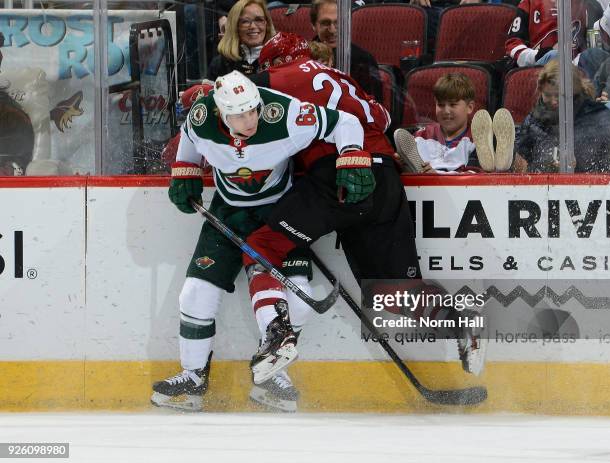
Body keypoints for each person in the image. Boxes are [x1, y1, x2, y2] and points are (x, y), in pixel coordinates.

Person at [248, 32, 487, 404]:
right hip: (386, 180)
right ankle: (462, 324)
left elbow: (233, 97)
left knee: (261, 246)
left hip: (340, 177)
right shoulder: (342, 79)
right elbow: (384, 118)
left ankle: (277, 338)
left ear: (277, 61)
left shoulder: (284, 75)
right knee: (388, 294)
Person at [150, 70, 368, 412]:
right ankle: (192, 378)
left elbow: (346, 123)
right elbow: (190, 140)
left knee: (300, 301)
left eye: (253, 109)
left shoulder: (285, 115)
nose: (250, 119)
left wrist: (352, 157)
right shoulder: (202, 117)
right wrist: (185, 171)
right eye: (239, 114)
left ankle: (270, 373)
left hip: (280, 214)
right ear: (222, 113)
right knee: (195, 295)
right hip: (227, 212)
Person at [393, 73, 515, 174]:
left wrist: (437, 176)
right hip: (425, 192)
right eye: (440, 105)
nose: (446, 111)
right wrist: (401, 163)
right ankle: (501, 167)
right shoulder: (421, 136)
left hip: (463, 191)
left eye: (453, 104)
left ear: (470, 107)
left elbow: (470, 178)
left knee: (479, 170)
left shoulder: (478, 137)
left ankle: (502, 166)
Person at [514, 59, 610, 172]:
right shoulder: (533, 121)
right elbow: (520, 166)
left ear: (573, 91)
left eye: (559, 95)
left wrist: (577, 168)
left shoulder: (597, 117)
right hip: (542, 186)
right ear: (540, 91)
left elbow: (606, 169)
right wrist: (547, 165)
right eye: (547, 95)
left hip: (587, 187)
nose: (553, 101)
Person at [310, 0, 383, 101]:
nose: (332, 30)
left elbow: (374, 108)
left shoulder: (364, 60)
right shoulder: (302, 57)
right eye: (325, 23)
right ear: (313, 25)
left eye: (338, 22)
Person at [505, 0, 588, 68]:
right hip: (542, 64)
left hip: (576, 64)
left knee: (593, 56)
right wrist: (537, 55)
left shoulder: (585, 4)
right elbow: (513, 43)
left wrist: (575, 61)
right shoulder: (529, 2)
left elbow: (593, 42)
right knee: (555, 56)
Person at [207, 0, 276, 80]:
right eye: (245, 21)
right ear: (235, 27)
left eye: (259, 20)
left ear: (266, 24)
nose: (253, 26)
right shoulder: (219, 64)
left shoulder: (280, 59)